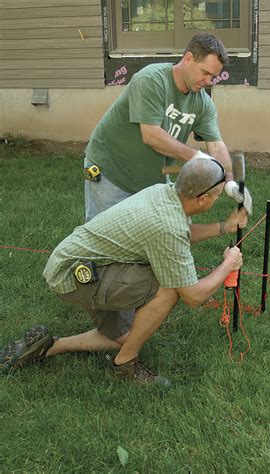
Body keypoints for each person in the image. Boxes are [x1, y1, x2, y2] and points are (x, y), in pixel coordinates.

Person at [0, 157, 248, 386]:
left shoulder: (164, 193)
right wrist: (228, 265)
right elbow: (192, 296)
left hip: (81, 263)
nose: (216, 200)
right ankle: (125, 363)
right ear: (202, 199)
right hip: (76, 276)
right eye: (215, 197)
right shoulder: (166, 226)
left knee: (126, 336)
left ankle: (49, 347)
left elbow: (183, 233)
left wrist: (223, 227)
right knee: (170, 289)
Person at [84, 32, 251, 221]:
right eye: (205, 72)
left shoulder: (203, 104)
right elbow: (151, 136)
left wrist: (229, 182)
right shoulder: (152, 80)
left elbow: (216, 144)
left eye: (213, 76)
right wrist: (197, 158)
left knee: (158, 234)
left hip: (150, 179)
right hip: (110, 171)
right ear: (188, 59)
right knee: (105, 239)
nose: (208, 82)